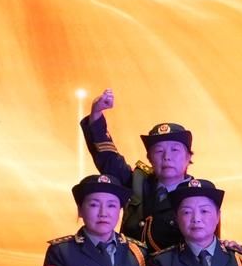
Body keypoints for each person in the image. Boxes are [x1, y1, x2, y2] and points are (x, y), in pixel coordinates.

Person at [80, 89, 195, 253]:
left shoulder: (197, 195)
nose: (167, 157)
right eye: (159, 151)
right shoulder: (137, 181)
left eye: (175, 150)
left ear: (188, 156)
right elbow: (108, 158)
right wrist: (96, 114)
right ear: (149, 157)